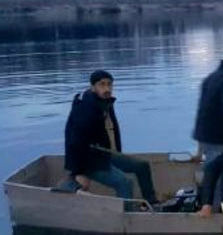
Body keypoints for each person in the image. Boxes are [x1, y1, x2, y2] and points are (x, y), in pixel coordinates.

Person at [64, 70, 158, 203]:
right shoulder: (85, 108)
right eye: (102, 85)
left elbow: (112, 132)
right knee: (124, 182)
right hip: (88, 162)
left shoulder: (104, 103)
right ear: (93, 87)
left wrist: (118, 154)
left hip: (103, 154)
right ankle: (126, 216)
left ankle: (153, 202)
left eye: (109, 84)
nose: (107, 88)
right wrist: (78, 172)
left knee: (142, 166)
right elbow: (73, 141)